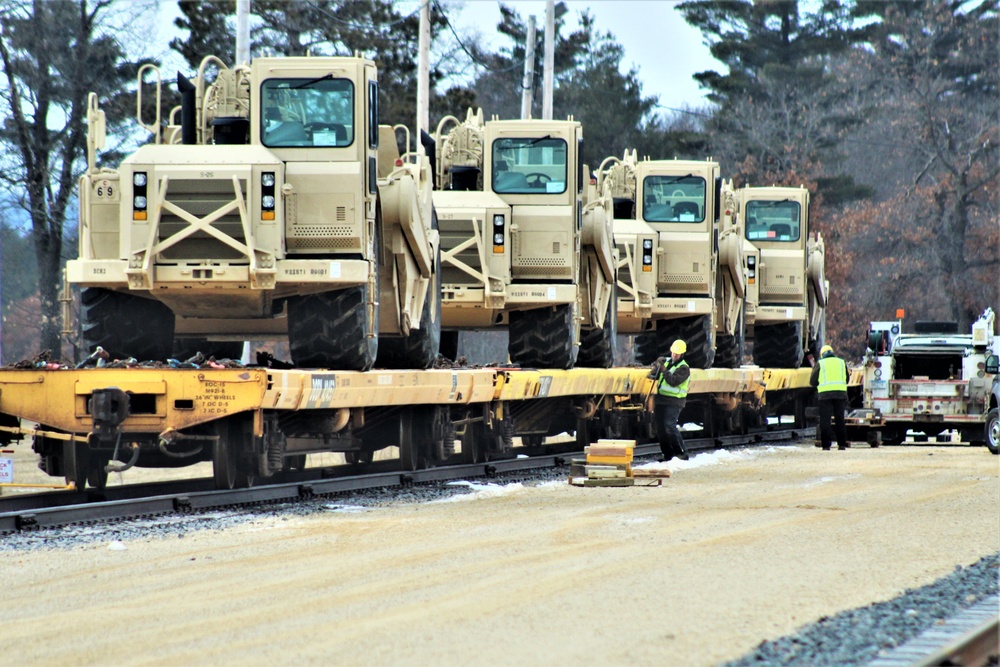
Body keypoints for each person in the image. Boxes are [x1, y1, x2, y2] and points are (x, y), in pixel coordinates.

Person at [650, 339, 691, 461]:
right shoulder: (667, 362)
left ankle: (681, 452)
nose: (674, 355)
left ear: (682, 354)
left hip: (675, 401)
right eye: (673, 352)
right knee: (660, 428)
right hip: (661, 399)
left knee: (669, 426)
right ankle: (668, 454)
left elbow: (673, 381)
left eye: (677, 354)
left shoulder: (684, 368)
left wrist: (663, 369)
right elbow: (653, 375)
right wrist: (656, 365)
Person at [810, 344, 849, 450]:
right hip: (840, 394)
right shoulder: (841, 362)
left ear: (822, 354)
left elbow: (812, 381)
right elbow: (847, 379)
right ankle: (841, 444)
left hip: (825, 395)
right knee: (840, 419)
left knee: (825, 420)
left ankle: (826, 445)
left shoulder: (820, 363)